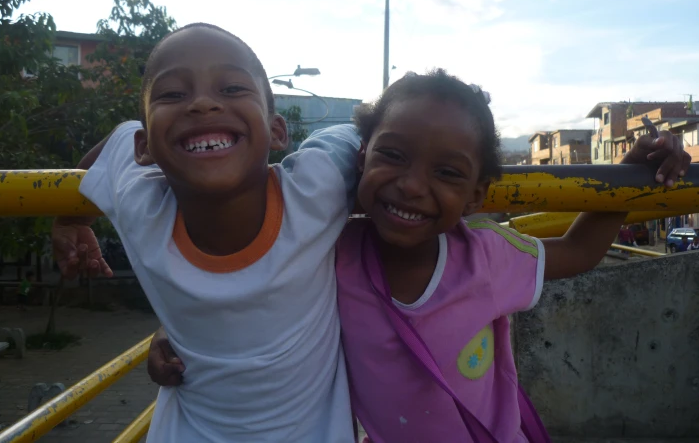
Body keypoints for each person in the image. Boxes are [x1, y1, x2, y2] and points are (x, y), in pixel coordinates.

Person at [148, 70, 690, 442]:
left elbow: (578, 249)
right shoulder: (328, 253)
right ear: (362, 159)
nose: (410, 186)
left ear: (477, 195)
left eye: (447, 172)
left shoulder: (486, 259)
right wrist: (175, 337)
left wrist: (631, 177)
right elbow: (250, 297)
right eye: (393, 156)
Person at [51, 23, 361, 442]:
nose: (201, 103)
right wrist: (70, 219)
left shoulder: (315, 188)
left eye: (232, 88)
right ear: (147, 150)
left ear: (277, 131)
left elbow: (377, 124)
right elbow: (118, 140)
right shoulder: (143, 205)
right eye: (173, 94)